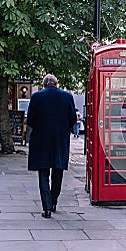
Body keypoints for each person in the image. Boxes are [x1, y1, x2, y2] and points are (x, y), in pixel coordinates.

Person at [27, 74, 77, 218]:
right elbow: (73, 119)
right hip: (60, 140)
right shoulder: (67, 97)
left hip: (41, 140)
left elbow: (30, 120)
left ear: (44, 84)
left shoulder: (36, 97)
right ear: (56, 83)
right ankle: (54, 201)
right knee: (58, 171)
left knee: (43, 173)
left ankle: (47, 208)